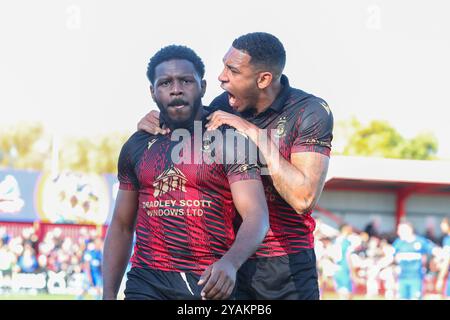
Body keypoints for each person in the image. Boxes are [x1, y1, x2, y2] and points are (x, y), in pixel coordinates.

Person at [138, 32, 333, 299]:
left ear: (263, 79)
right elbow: (180, 126)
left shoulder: (309, 111)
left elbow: (303, 198)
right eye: (223, 66)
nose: (221, 76)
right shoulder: (221, 106)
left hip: (286, 264)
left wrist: (251, 131)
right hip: (228, 261)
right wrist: (154, 122)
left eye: (232, 70)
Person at [102, 45, 269, 300]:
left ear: (202, 86)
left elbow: (256, 215)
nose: (176, 88)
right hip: (146, 281)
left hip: (208, 282)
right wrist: (108, 293)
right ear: (152, 92)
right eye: (165, 82)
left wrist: (231, 263)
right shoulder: (136, 145)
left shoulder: (229, 141)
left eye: (185, 81)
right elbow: (122, 226)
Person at [392, 221, 435, 300]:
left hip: (416, 279)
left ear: (409, 230)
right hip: (402, 279)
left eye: (400, 230)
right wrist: (377, 267)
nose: (398, 232)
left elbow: (435, 250)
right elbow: (389, 257)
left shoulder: (420, 242)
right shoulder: (398, 243)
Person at [436, 217, 450, 299]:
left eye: (443, 224)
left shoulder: (448, 240)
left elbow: (447, 259)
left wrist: (440, 278)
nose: (441, 225)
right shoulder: (446, 238)